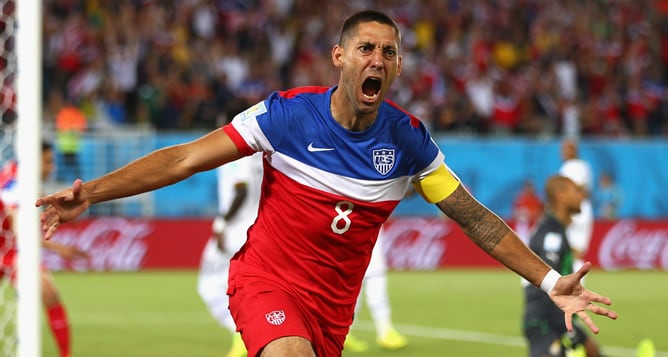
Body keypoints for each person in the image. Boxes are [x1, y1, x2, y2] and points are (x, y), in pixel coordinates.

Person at [36, 10, 617, 357]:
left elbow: (475, 219)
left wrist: (548, 280)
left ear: (397, 68)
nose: (378, 59)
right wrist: (93, 193)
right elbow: (186, 158)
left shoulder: (409, 141)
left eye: (389, 53)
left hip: (331, 312)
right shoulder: (285, 116)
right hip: (265, 281)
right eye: (366, 48)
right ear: (340, 57)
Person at [0, 141, 87, 357]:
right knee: (49, 292)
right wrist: (59, 248)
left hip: (11, 249)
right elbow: (19, 228)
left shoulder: (21, 176)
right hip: (8, 249)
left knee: (49, 293)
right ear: (34, 159)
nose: (52, 168)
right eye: (48, 162)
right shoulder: (18, 179)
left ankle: (65, 354)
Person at [522, 175, 603, 357]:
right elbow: (544, 281)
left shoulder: (556, 229)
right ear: (560, 195)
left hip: (559, 318)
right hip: (545, 321)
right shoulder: (551, 233)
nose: (581, 196)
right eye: (576, 190)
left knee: (594, 351)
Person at [197, 153, 264, 357]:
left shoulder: (239, 156)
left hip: (236, 229)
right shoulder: (261, 152)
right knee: (252, 286)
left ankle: (241, 333)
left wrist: (222, 222)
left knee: (209, 285)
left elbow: (241, 190)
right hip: (257, 226)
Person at [344, 225, 408, 352]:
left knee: (354, 298)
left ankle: (346, 334)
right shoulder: (372, 209)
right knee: (376, 297)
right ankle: (385, 332)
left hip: (353, 258)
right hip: (370, 260)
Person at [558, 138, 594, 276]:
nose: (563, 152)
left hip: (575, 210)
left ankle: (574, 286)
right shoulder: (584, 166)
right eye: (563, 149)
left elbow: (578, 190)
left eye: (566, 149)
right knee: (575, 253)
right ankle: (575, 285)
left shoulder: (571, 167)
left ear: (574, 150)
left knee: (572, 252)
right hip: (581, 209)